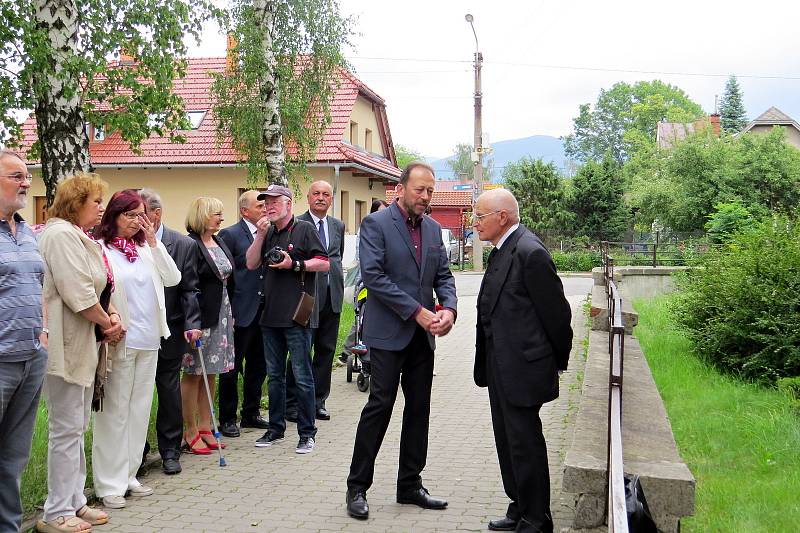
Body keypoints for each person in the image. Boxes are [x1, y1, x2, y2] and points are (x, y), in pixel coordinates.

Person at [346, 162, 457, 520]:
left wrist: (449, 311)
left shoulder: (434, 228)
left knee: (419, 410)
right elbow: (374, 277)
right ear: (400, 189)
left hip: (423, 340)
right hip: (388, 335)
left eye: (429, 191)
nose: (425, 197)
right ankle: (357, 487)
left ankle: (409, 484)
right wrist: (418, 312)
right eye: (419, 190)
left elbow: (444, 275)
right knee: (380, 407)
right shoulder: (376, 224)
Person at [472, 189, 572, 533]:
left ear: (503, 217)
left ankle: (537, 519)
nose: (474, 222)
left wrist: (555, 361)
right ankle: (519, 507)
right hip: (501, 366)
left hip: (523, 369)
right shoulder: (502, 250)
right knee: (508, 442)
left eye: (480, 216)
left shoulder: (530, 252)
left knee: (525, 444)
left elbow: (557, 316)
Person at [37, 173, 124, 533]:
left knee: (77, 427)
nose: (101, 208)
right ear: (76, 204)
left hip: (84, 343)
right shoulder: (59, 236)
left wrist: (112, 314)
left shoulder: (78, 236)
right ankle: (56, 510)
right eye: (96, 202)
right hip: (66, 343)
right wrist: (108, 323)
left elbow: (103, 285)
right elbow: (78, 293)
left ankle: (74, 500)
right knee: (66, 429)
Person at [91, 190, 181, 509]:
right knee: (114, 412)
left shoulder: (145, 249)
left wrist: (154, 243)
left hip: (149, 339)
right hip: (120, 341)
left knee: (139, 410)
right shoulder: (101, 248)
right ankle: (108, 484)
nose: (136, 221)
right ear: (113, 216)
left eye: (141, 214)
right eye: (130, 215)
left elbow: (173, 278)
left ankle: (129, 475)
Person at [245, 184, 329, 455]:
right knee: (275, 376)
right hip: (270, 316)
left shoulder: (304, 228)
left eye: (273, 202)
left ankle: (307, 433)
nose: (268, 206)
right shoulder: (267, 232)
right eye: (265, 202)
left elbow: (325, 262)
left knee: (302, 376)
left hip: (297, 315)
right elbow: (250, 263)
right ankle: (276, 429)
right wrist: (259, 236)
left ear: (288, 204)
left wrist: (295, 264)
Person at [139, 188, 202, 475]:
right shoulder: (125, 242)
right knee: (136, 393)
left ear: (156, 214)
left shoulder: (181, 244)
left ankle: (170, 450)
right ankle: (136, 454)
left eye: (139, 214)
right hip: (138, 330)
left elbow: (189, 288)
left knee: (168, 390)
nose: (134, 220)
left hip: (172, 327)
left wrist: (192, 324)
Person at [0, 151, 47, 532]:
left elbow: (39, 288)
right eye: (17, 175)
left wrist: (43, 335)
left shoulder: (28, 232)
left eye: (27, 175)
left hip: (31, 358)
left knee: (13, 457)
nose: (26, 182)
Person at [286, 180, 345, 421]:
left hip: (333, 297)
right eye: (316, 194)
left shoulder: (337, 225)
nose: (321, 198)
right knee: (300, 351)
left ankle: (318, 401)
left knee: (326, 351)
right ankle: (291, 403)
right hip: (306, 299)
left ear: (331, 199)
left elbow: (336, 257)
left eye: (326, 194)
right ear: (308, 197)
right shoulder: (297, 225)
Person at [182, 197, 235, 454]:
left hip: (221, 313)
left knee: (211, 370)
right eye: (216, 213)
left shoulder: (219, 240)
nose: (221, 218)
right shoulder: (190, 244)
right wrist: (193, 321)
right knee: (193, 373)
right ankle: (189, 430)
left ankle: (206, 426)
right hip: (200, 317)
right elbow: (189, 285)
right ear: (202, 215)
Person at [217, 190, 269, 437]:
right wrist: (230, 309)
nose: (264, 209)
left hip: (264, 310)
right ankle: (227, 417)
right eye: (259, 206)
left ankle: (251, 412)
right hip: (240, 310)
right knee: (232, 367)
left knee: (259, 365)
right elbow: (227, 275)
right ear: (244, 210)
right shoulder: (230, 234)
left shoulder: (269, 232)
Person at [339, 199, 387, 364]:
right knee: (363, 315)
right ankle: (350, 350)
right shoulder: (366, 229)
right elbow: (363, 258)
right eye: (379, 211)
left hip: (384, 281)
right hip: (366, 282)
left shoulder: (388, 229)